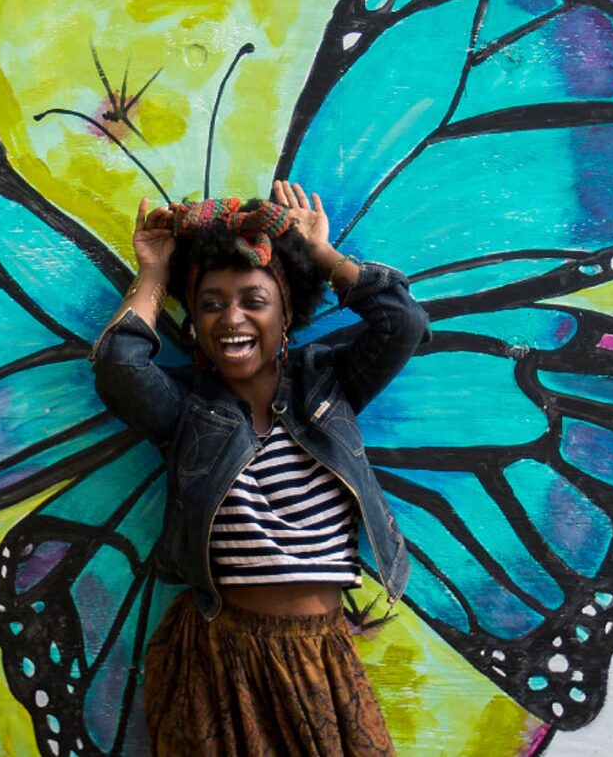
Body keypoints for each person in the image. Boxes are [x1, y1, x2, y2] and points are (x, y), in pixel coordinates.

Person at [90, 180, 431, 755]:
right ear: (194, 322)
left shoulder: (329, 385)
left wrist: (321, 255)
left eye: (254, 299)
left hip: (320, 653)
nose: (232, 318)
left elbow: (403, 323)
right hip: (220, 657)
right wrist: (153, 275)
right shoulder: (185, 411)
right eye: (211, 304)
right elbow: (121, 365)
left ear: (286, 311)